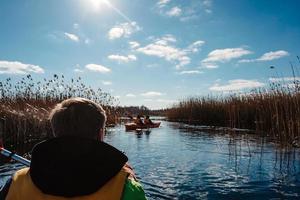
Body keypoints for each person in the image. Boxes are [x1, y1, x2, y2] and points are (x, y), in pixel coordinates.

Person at [0, 97, 147, 200]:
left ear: (55, 132)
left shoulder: (16, 181)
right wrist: (127, 177)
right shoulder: (127, 186)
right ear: (100, 134)